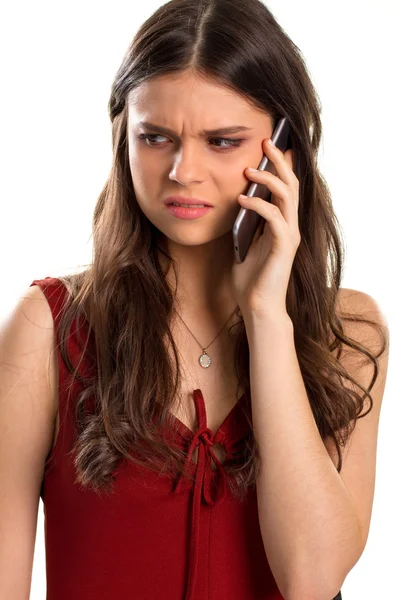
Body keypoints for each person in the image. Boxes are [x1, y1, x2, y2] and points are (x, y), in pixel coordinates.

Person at [0, 1, 389, 599]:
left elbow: (312, 579)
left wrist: (267, 319)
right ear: (122, 137)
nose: (184, 171)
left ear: (284, 148)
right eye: (155, 137)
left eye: (223, 141)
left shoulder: (350, 332)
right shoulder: (48, 328)